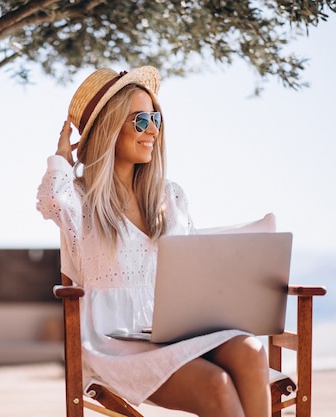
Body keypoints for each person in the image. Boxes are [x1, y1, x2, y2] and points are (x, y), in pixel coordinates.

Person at [36, 66, 271, 417]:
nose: (152, 132)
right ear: (109, 129)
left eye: (155, 120)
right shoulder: (80, 200)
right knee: (215, 385)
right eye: (140, 121)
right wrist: (61, 159)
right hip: (115, 343)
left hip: (179, 331)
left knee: (251, 351)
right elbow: (50, 202)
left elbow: (194, 269)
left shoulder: (171, 197)